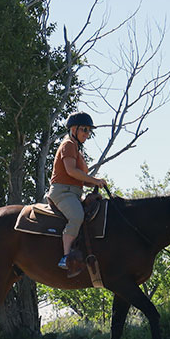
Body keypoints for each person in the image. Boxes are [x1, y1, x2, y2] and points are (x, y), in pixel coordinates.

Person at [47, 112, 108, 270]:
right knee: (77, 216)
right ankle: (66, 257)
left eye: (89, 131)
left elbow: (80, 178)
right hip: (62, 192)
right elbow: (71, 171)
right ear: (73, 129)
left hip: (73, 192)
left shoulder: (76, 149)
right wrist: (94, 180)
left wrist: (95, 185)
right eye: (84, 130)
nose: (87, 134)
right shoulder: (68, 145)